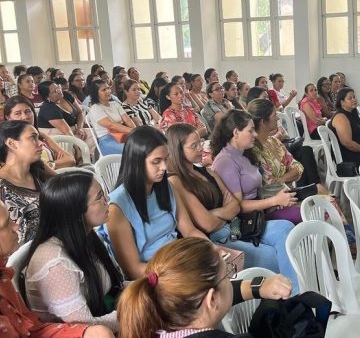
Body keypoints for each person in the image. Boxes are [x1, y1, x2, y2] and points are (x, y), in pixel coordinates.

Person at [0, 192, 115, 337]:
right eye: (6, 224)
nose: (16, 226)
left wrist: (89, 332)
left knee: (98, 333)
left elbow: (32, 329)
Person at [166, 123, 297, 281]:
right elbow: (206, 224)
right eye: (194, 146)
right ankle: (293, 294)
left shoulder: (206, 171)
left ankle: (297, 293)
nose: (201, 148)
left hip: (236, 225)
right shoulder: (176, 180)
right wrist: (223, 211)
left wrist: (215, 212)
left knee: (286, 228)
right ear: (178, 150)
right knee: (275, 257)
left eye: (200, 142)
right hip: (216, 238)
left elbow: (235, 205)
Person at [117, 237, 292, 338]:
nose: (230, 279)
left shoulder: (154, 321)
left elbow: (224, 293)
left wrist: (257, 287)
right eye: (227, 274)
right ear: (212, 299)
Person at [104, 126, 210, 279]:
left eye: (166, 159)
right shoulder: (117, 207)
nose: (164, 167)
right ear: (137, 162)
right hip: (153, 276)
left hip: (178, 260)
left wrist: (211, 249)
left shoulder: (166, 187)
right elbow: (133, 270)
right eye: (156, 161)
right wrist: (177, 271)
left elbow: (190, 231)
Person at [24, 172, 123, 331]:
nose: (108, 200)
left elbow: (115, 286)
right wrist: (136, 313)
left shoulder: (86, 236)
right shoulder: (55, 263)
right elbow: (83, 326)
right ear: (75, 211)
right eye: (99, 197)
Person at [210, 111, 300, 285]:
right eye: (250, 131)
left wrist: (276, 199)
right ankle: (295, 291)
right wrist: (274, 201)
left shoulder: (243, 153)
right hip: (240, 222)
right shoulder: (226, 161)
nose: (255, 134)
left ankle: (300, 284)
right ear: (236, 132)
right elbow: (237, 207)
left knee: (297, 219)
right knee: (285, 229)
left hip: (259, 213)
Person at [0, 120, 54, 243]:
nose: (41, 144)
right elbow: (9, 241)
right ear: (11, 143)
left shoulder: (37, 168)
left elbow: (63, 187)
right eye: (33, 138)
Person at [5, 96, 77, 171]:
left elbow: (71, 160)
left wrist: (51, 164)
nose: (25, 117)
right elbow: (28, 170)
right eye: (18, 113)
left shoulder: (41, 136)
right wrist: (58, 163)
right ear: (8, 117)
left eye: (28, 111)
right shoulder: (10, 142)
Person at [88, 80, 136, 155]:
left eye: (108, 88)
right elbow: (111, 125)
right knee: (133, 150)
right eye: (104, 90)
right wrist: (132, 131)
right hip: (107, 140)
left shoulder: (115, 104)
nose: (108, 91)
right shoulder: (95, 108)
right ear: (96, 93)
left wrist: (136, 131)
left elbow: (127, 120)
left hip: (123, 135)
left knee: (143, 144)